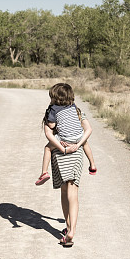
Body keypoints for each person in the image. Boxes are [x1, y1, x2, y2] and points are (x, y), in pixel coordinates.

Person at [34, 83, 91, 247]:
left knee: (65, 192)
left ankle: (68, 228)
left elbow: (49, 131)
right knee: (74, 193)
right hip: (76, 153)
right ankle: (71, 230)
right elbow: (88, 129)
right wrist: (78, 144)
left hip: (61, 154)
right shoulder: (76, 110)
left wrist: (62, 147)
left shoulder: (52, 111)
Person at [35, 85, 97, 186]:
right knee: (85, 143)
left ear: (55, 98)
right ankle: (92, 164)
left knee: (47, 148)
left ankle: (44, 172)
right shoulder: (73, 106)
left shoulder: (53, 109)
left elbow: (52, 125)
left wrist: (49, 117)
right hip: (78, 137)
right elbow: (88, 128)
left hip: (65, 138)